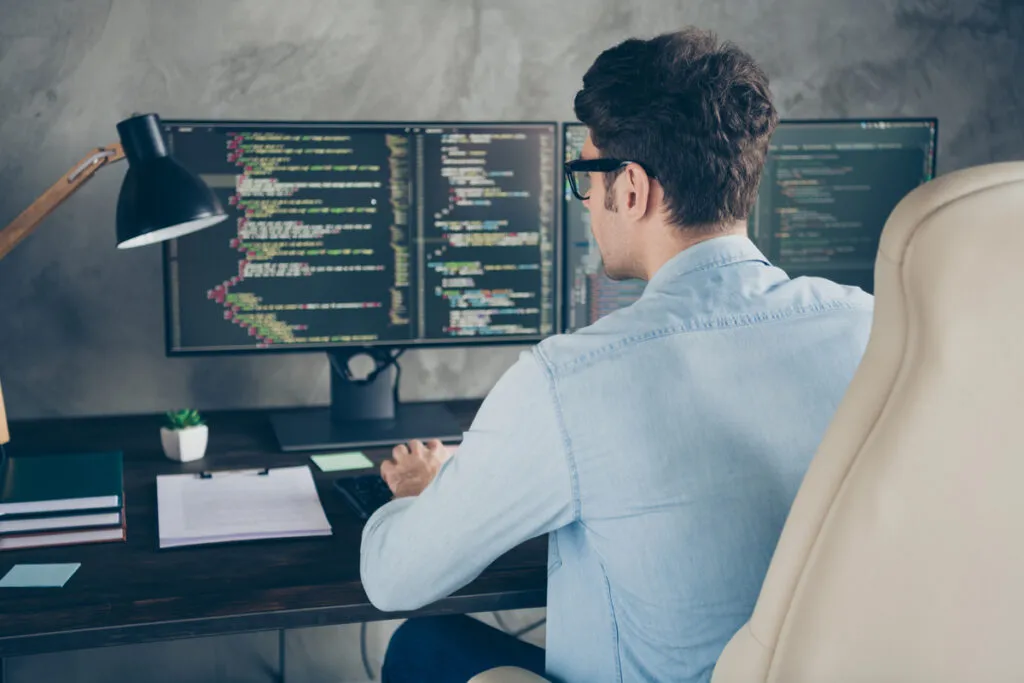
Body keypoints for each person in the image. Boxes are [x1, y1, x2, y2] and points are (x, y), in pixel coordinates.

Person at [361, 27, 874, 683]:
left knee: (418, 645)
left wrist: (420, 495)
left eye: (586, 177)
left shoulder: (569, 379)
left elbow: (392, 577)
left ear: (630, 189)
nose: (587, 202)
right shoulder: (870, 327)